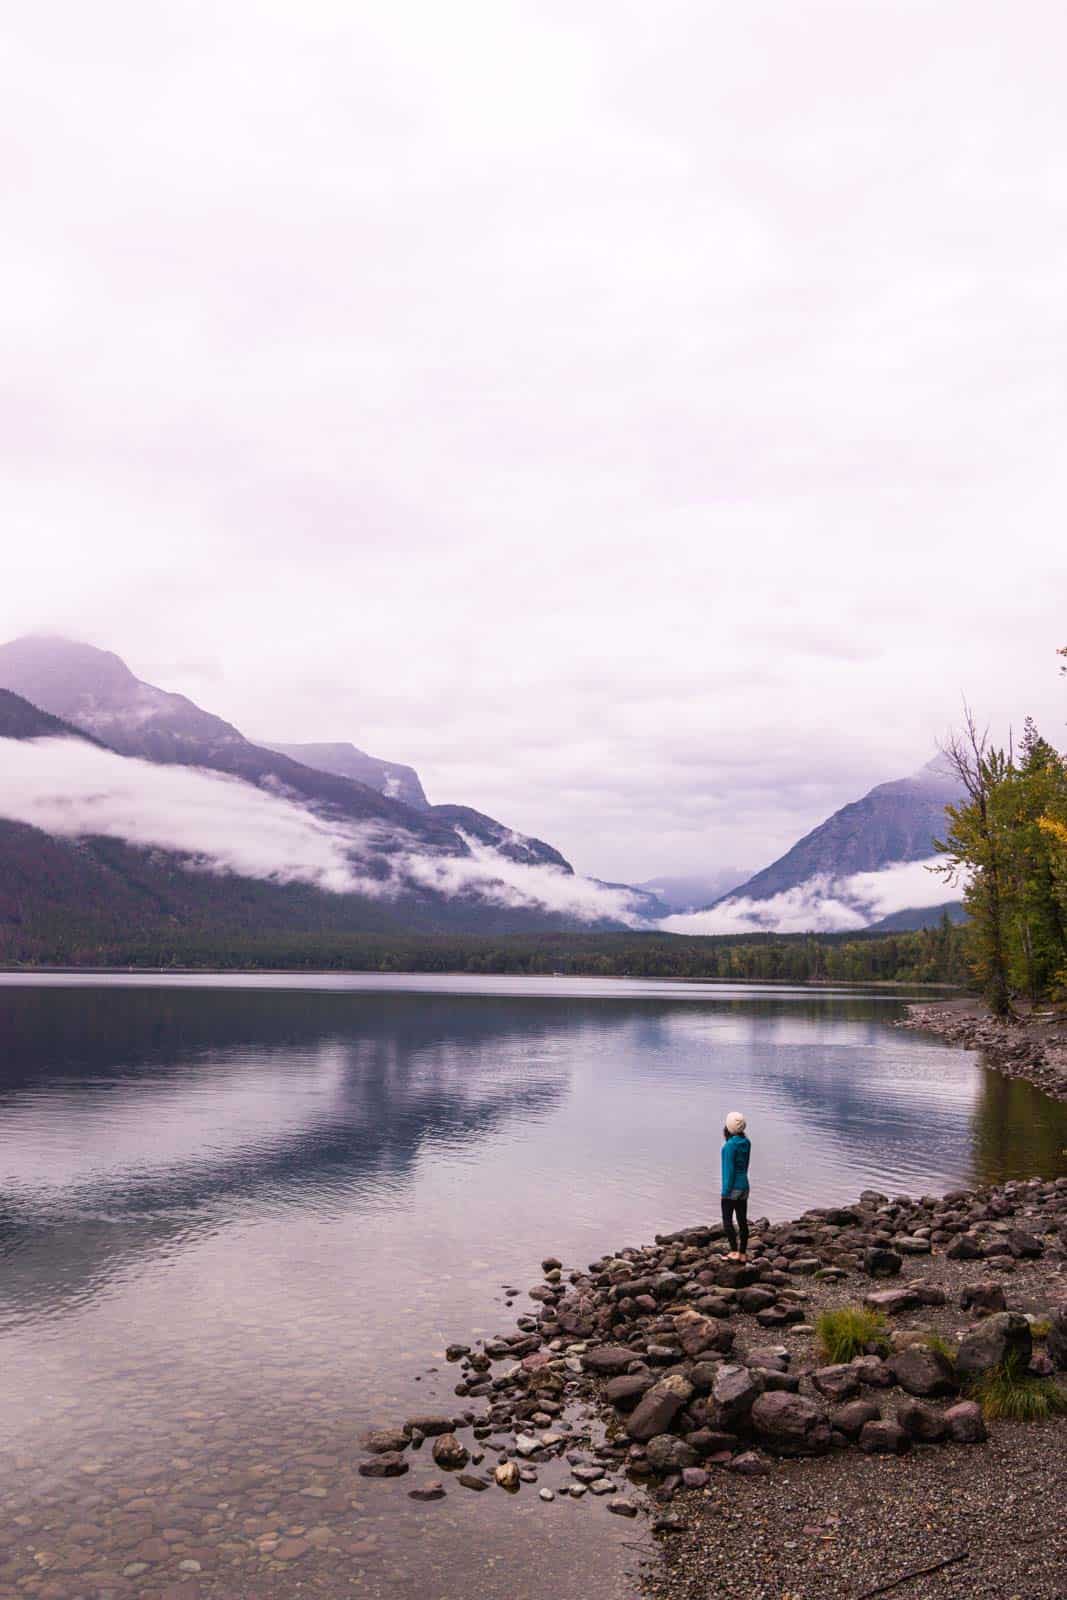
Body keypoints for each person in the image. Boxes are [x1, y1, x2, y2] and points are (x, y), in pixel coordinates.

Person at [720, 1110, 751, 1261]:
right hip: (744, 1186)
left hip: (732, 1188)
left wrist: (725, 1192)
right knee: (742, 1220)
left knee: (727, 1220)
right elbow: (744, 1166)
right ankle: (743, 1253)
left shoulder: (728, 1147)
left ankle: (733, 1251)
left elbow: (729, 1171)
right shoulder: (746, 1143)